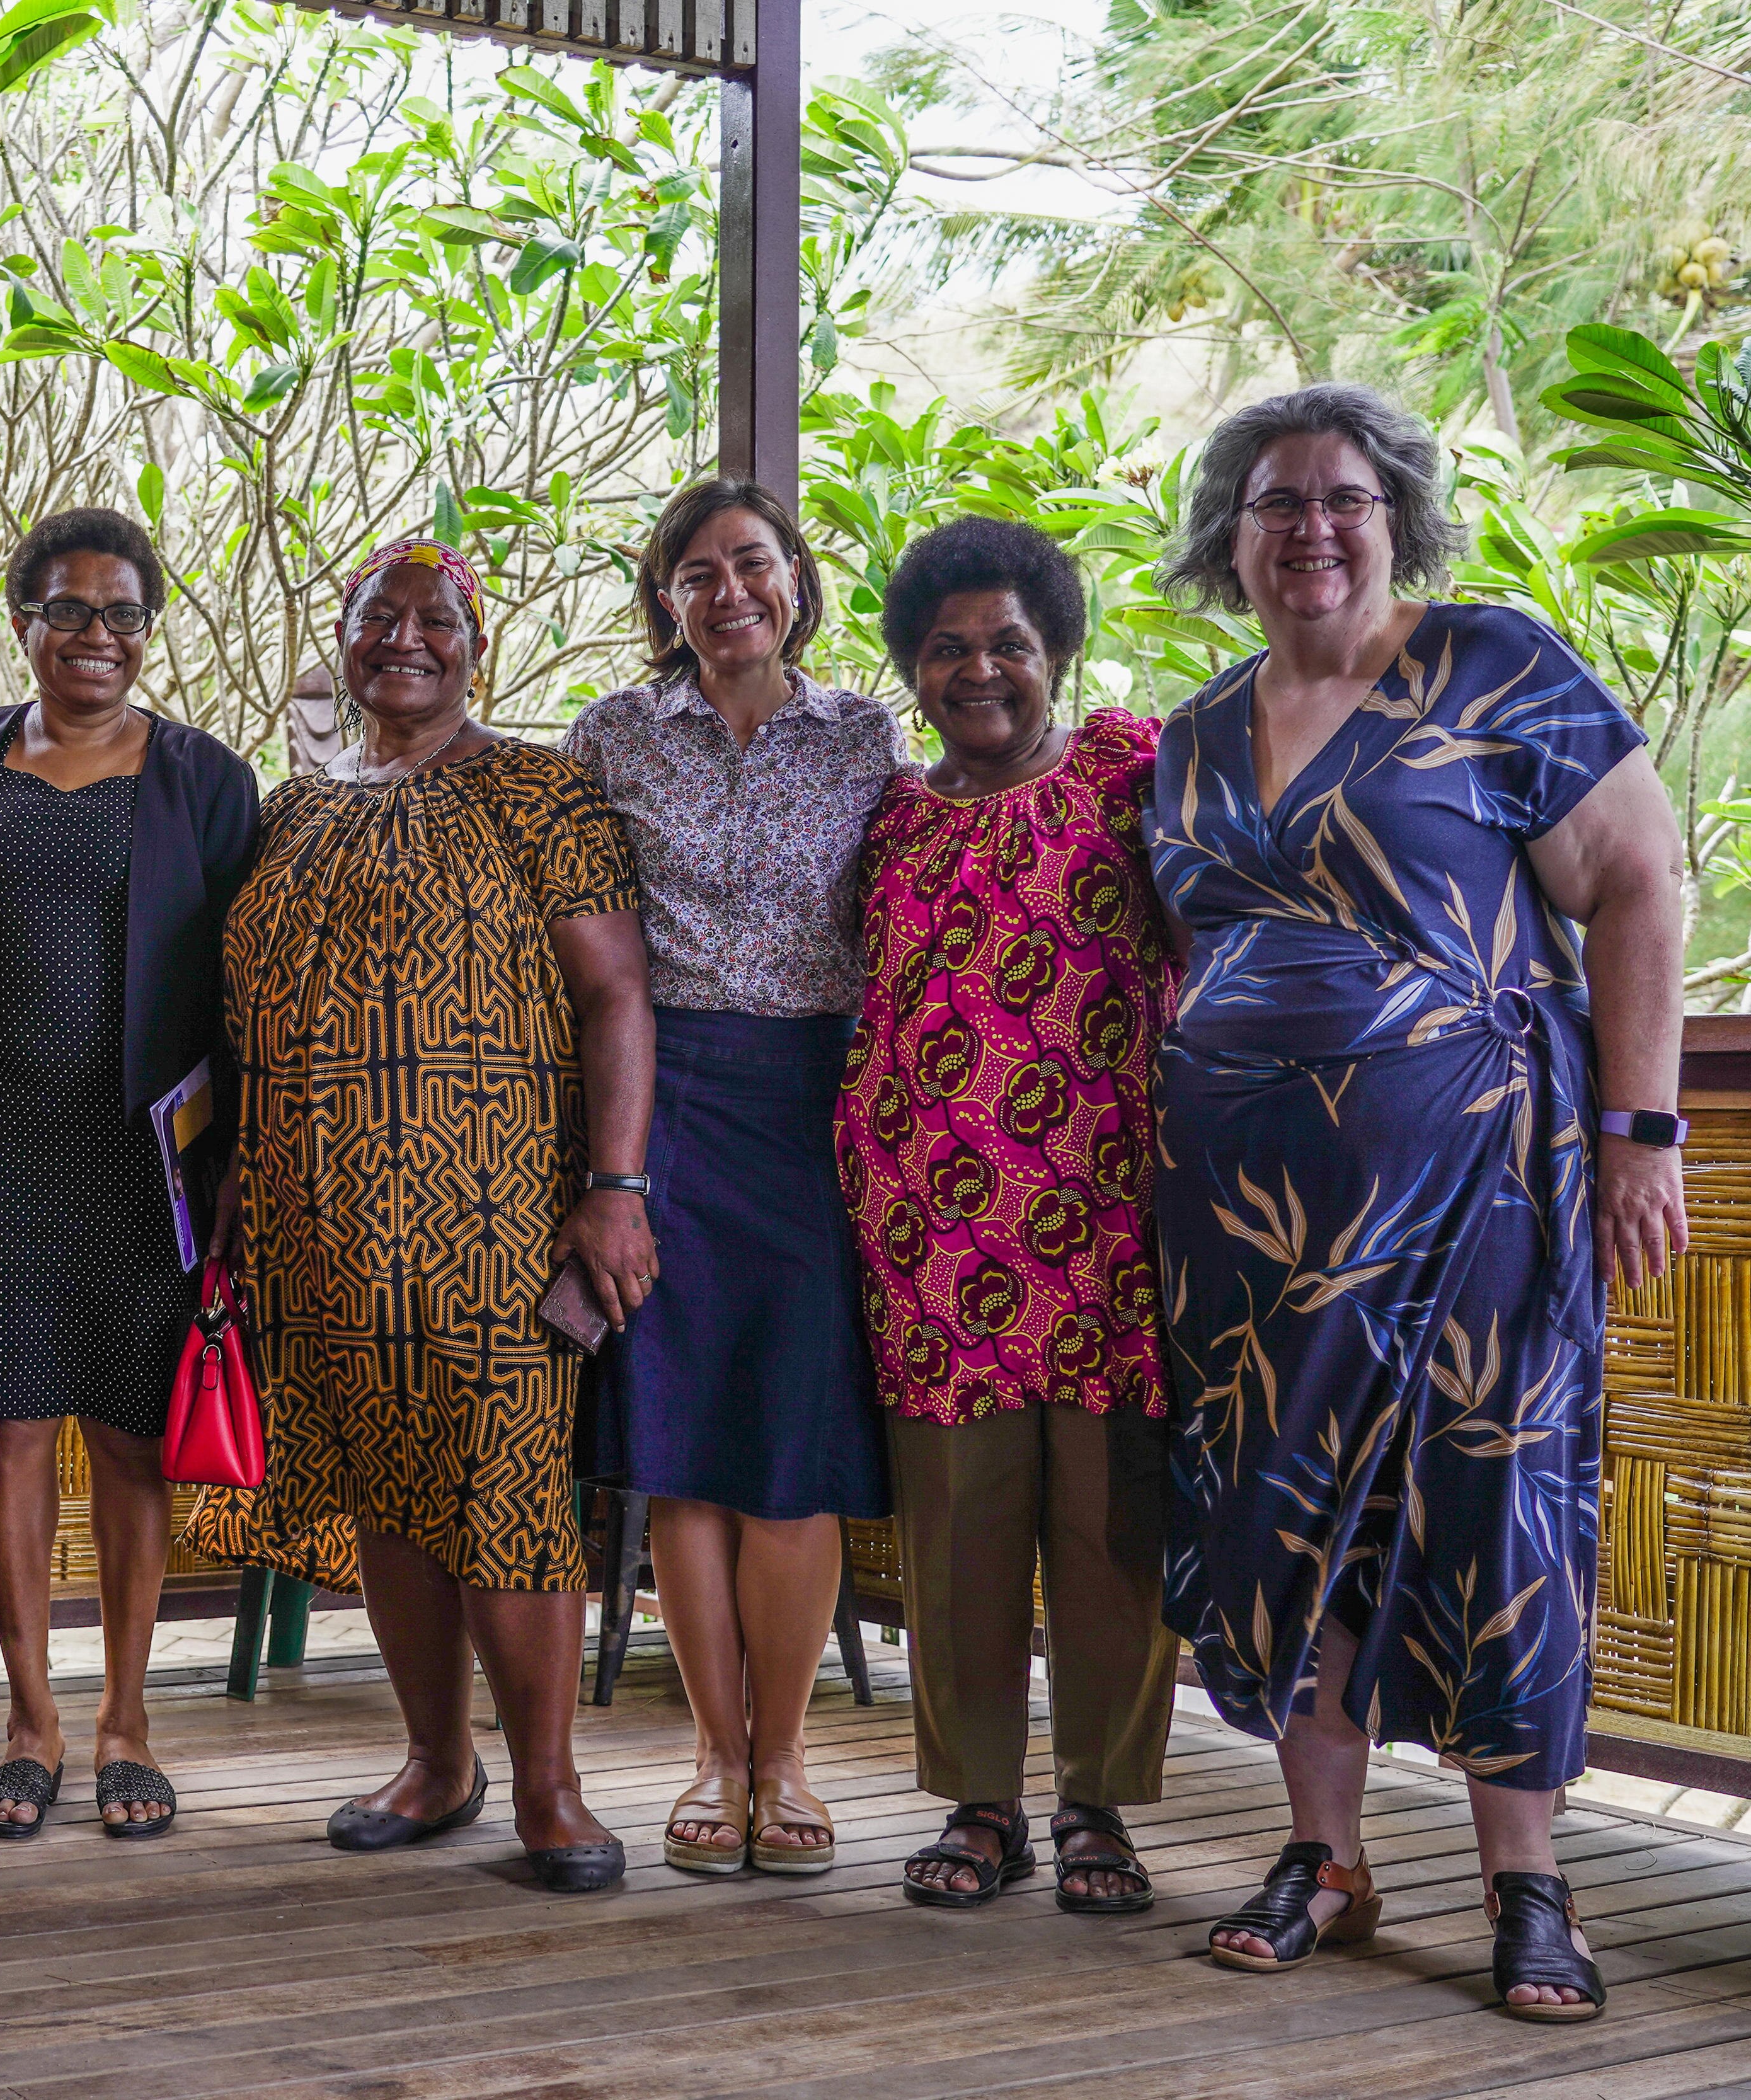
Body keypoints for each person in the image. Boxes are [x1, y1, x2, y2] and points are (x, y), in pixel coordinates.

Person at [1153, 384, 1685, 2021]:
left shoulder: (1494, 666)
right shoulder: (1190, 734)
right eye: (1275, 501)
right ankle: (1325, 1853)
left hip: (1479, 1197)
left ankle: (1531, 1881)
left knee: (1497, 1509)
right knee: (1286, 1512)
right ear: (1226, 537)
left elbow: (1644, 876)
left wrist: (1642, 1126)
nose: (1311, 527)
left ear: (1397, 521)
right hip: (1247, 1223)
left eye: (1344, 499)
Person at [187, 539, 655, 1893]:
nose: (406, 637)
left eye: (435, 618)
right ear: (340, 640)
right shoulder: (292, 809)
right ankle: (435, 1759)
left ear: (476, 644)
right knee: (386, 1485)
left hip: (490, 1208)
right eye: (375, 615)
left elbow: (613, 995)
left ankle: (551, 1791)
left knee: (506, 1491)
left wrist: (615, 1186)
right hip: (318, 1213)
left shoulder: (539, 791)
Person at [832, 518, 1181, 1915]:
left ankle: (1097, 1803)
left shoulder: (1130, 776)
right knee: (959, 1529)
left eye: (1007, 644)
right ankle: (979, 1800)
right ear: (913, 671)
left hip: (1110, 1216)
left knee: (1108, 1528)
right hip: (932, 1229)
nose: (979, 670)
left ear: (1057, 652)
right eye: (946, 649)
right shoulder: (893, 822)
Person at [0, 508, 260, 1841]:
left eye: (121, 615)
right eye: (68, 610)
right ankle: (30, 1723)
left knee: (126, 1428)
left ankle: (125, 1721)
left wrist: (232, 1154)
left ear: (145, 632)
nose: (95, 637)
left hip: (141, 1148)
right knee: (9, 1428)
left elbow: (239, 982)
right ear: (25, 622)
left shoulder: (202, 777)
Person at [561, 479, 899, 1878]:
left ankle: (788, 1762)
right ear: (664, 599)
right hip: (662, 1100)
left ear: (795, 581)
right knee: (681, 1446)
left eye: (750, 564)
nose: (726, 590)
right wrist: (606, 1166)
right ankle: (711, 1752)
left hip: (817, 1106)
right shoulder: (610, 734)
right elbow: (576, 942)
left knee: (793, 1447)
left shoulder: (867, 735)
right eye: (694, 572)